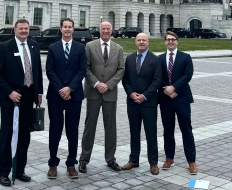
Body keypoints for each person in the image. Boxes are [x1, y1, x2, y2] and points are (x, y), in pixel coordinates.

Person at [0, 18, 43, 187]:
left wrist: (39, 93)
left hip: (28, 98)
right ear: (14, 30)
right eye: (20, 29)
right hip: (11, 100)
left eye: (26, 29)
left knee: (24, 135)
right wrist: (10, 92)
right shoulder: (5, 47)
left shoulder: (34, 46)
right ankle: (4, 172)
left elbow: (37, 72)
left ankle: (19, 170)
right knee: (7, 135)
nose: (23, 31)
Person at [79, 21, 124, 174]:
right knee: (89, 127)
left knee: (110, 128)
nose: (105, 31)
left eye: (108, 29)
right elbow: (85, 68)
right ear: (99, 30)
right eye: (103, 29)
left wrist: (109, 84)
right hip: (93, 92)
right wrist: (97, 83)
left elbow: (121, 70)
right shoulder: (90, 47)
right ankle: (84, 159)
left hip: (110, 94)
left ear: (112, 31)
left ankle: (110, 159)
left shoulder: (118, 49)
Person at [45, 18, 87, 180]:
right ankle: (53, 164)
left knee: (72, 131)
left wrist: (70, 88)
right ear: (61, 29)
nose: (68, 29)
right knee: (55, 130)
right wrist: (61, 89)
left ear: (73, 29)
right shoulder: (53, 48)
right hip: (56, 95)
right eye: (65, 27)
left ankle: (71, 163)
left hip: (74, 95)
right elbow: (49, 70)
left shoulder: (80, 48)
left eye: (70, 27)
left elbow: (82, 70)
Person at [121, 33, 162, 175]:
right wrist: (131, 94)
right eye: (139, 40)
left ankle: (153, 162)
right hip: (132, 102)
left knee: (151, 133)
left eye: (144, 40)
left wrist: (144, 96)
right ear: (135, 42)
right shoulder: (130, 59)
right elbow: (125, 80)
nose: (141, 42)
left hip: (148, 103)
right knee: (134, 132)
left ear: (148, 42)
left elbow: (157, 81)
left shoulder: (155, 60)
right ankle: (134, 159)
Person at [158, 31, 198, 175]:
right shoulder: (160, 59)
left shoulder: (185, 57)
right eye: (168, 39)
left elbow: (188, 75)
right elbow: (158, 77)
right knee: (168, 130)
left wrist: (174, 88)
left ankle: (191, 161)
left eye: (173, 39)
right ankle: (169, 158)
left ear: (177, 41)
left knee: (186, 130)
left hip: (182, 98)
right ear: (165, 42)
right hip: (165, 100)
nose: (170, 42)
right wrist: (168, 90)